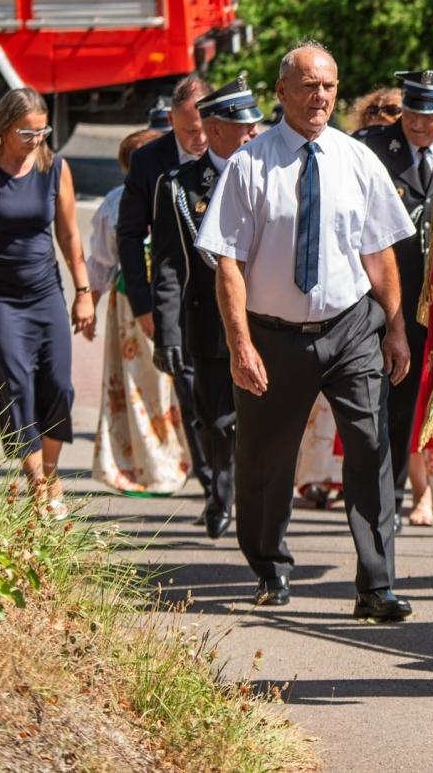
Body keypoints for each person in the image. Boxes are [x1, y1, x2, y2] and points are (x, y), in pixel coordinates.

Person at [196, 41, 416, 619]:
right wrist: (241, 343)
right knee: (267, 459)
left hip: (350, 327)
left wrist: (395, 328)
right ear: (282, 92)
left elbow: (380, 252)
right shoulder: (250, 164)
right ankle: (269, 565)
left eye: (329, 85)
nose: (321, 96)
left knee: (370, 446)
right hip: (273, 336)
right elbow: (228, 263)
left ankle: (377, 583)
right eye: (309, 85)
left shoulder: (358, 160)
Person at [0, 88, 96, 517]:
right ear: (6, 129)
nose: (36, 139)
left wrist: (83, 292)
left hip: (45, 292)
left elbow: (68, 235)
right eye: (28, 132)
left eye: (42, 130)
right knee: (16, 387)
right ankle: (36, 483)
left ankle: (51, 470)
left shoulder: (53, 167)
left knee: (59, 386)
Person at [355, 70, 433, 535]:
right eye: (410, 111)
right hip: (395, 296)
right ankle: (386, 501)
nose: (417, 122)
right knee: (392, 397)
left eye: (429, 114)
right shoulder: (371, 147)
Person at [149, 77, 262, 538]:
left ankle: (257, 502)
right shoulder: (180, 185)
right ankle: (220, 491)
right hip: (210, 322)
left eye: (256, 125)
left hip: (270, 318)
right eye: (244, 127)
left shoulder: (272, 173)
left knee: (264, 420)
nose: (254, 134)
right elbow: (170, 266)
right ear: (215, 130)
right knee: (215, 419)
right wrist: (168, 333)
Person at [117, 73, 215, 521]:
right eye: (185, 131)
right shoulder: (149, 162)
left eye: (201, 128)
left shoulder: (239, 151)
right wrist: (144, 305)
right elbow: (130, 235)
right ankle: (214, 485)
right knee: (192, 394)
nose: (196, 139)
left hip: (238, 298)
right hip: (177, 300)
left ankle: (233, 482)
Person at [87, 128, 188, 496]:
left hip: (177, 302)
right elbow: (101, 259)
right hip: (133, 307)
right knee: (138, 387)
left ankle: (185, 458)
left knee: (175, 385)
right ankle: (146, 464)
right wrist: (90, 300)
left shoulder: (181, 190)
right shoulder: (116, 202)